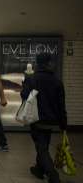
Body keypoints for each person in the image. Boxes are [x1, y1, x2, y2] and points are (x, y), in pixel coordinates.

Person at [21, 53, 67, 183]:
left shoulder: (32, 78)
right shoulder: (57, 81)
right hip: (52, 120)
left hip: (37, 119)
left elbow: (24, 95)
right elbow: (61, 105)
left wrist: (25, 81)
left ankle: (53, 176)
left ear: (37, 63)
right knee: (43, 145)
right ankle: (39, 169)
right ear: (48, 63)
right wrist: (64, 124)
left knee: (42, 148)